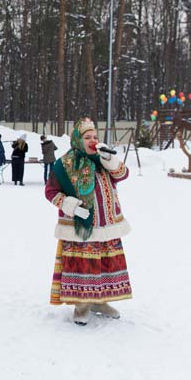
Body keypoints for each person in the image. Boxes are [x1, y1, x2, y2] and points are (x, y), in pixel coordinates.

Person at [45, 118, 132, 325]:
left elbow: (123, 174)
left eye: (95, 136)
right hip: (80, 226)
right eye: (87, 137)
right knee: (83, 265)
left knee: (105, 264)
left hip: (107, 223)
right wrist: (71, 206)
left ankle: (100, 301)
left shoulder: (103, 160)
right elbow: (50, 192)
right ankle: (82, 304)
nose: (92, 140)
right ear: (78, 140)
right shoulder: (65, 163)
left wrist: (109, 159)